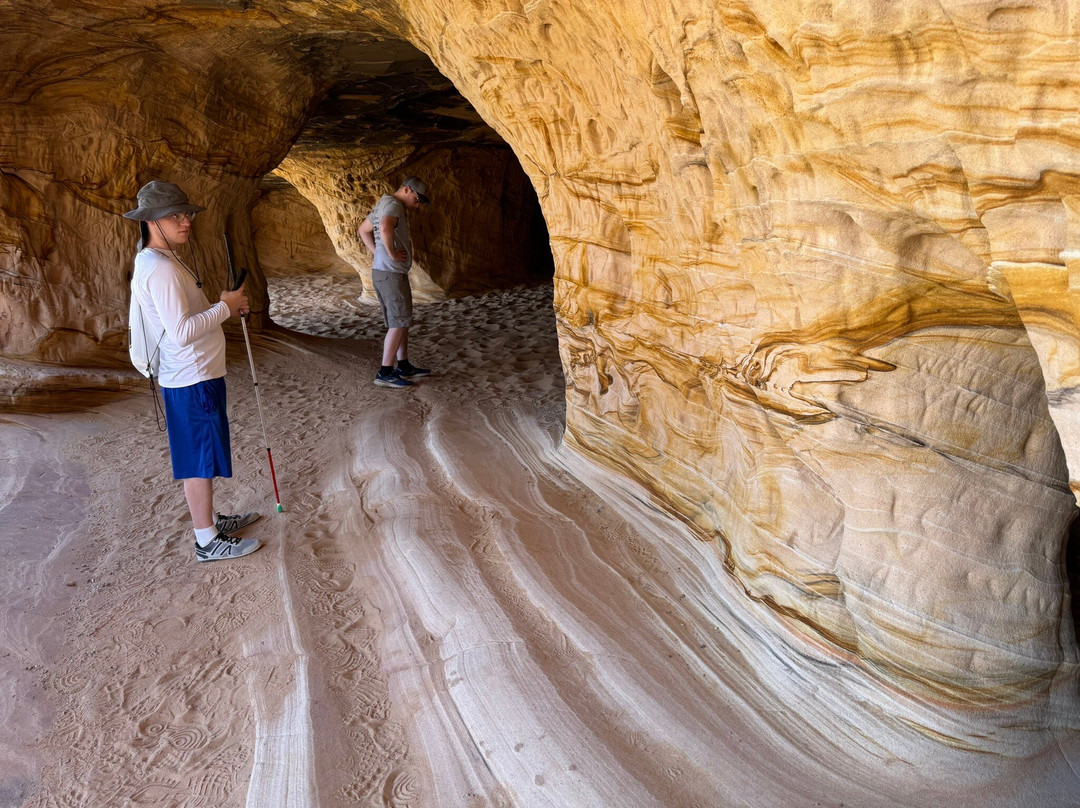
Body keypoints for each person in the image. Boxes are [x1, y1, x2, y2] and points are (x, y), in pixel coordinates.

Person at [124, 180, 261, 562]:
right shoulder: (160, 268)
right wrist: (226, 308)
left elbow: (181, 319)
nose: (186, 222)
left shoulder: (161, 260)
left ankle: (212, 522)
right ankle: (206, 540)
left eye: (186, 214)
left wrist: (225, 306)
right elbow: (181, 333)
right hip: (191, 376)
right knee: (198, 458)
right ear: (152, 221)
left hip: (197, 374)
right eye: (174, 216)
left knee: (204, 452)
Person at [358, 177, 433, 388]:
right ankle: (384, 372)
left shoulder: (383, 203)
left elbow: (363, 230)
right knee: (399, 322)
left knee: (401, 319)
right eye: (417, 200)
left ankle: (404, 365)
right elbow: (384, 227)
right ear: (408, 190)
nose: (417, 205)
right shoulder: (394, 205)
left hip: (384, 272)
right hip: (390, 273)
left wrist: (378, 253)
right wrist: (390, 254)